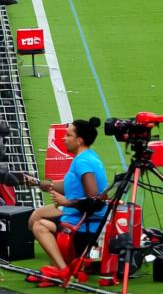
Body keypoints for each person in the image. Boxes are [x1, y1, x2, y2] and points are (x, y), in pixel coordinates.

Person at [24, 117, 108, 280]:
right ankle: (62, 260)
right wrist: (37, 183)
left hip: (82, 225)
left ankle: (63, 270)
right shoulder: (89, 156)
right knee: (35, 216)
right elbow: (69, 186)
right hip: (80, 216)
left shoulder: (82, 162)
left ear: (79, 140)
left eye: (68, 135)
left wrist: (66, 202)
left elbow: (95, 200)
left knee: (38, 225)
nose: (63, 138)